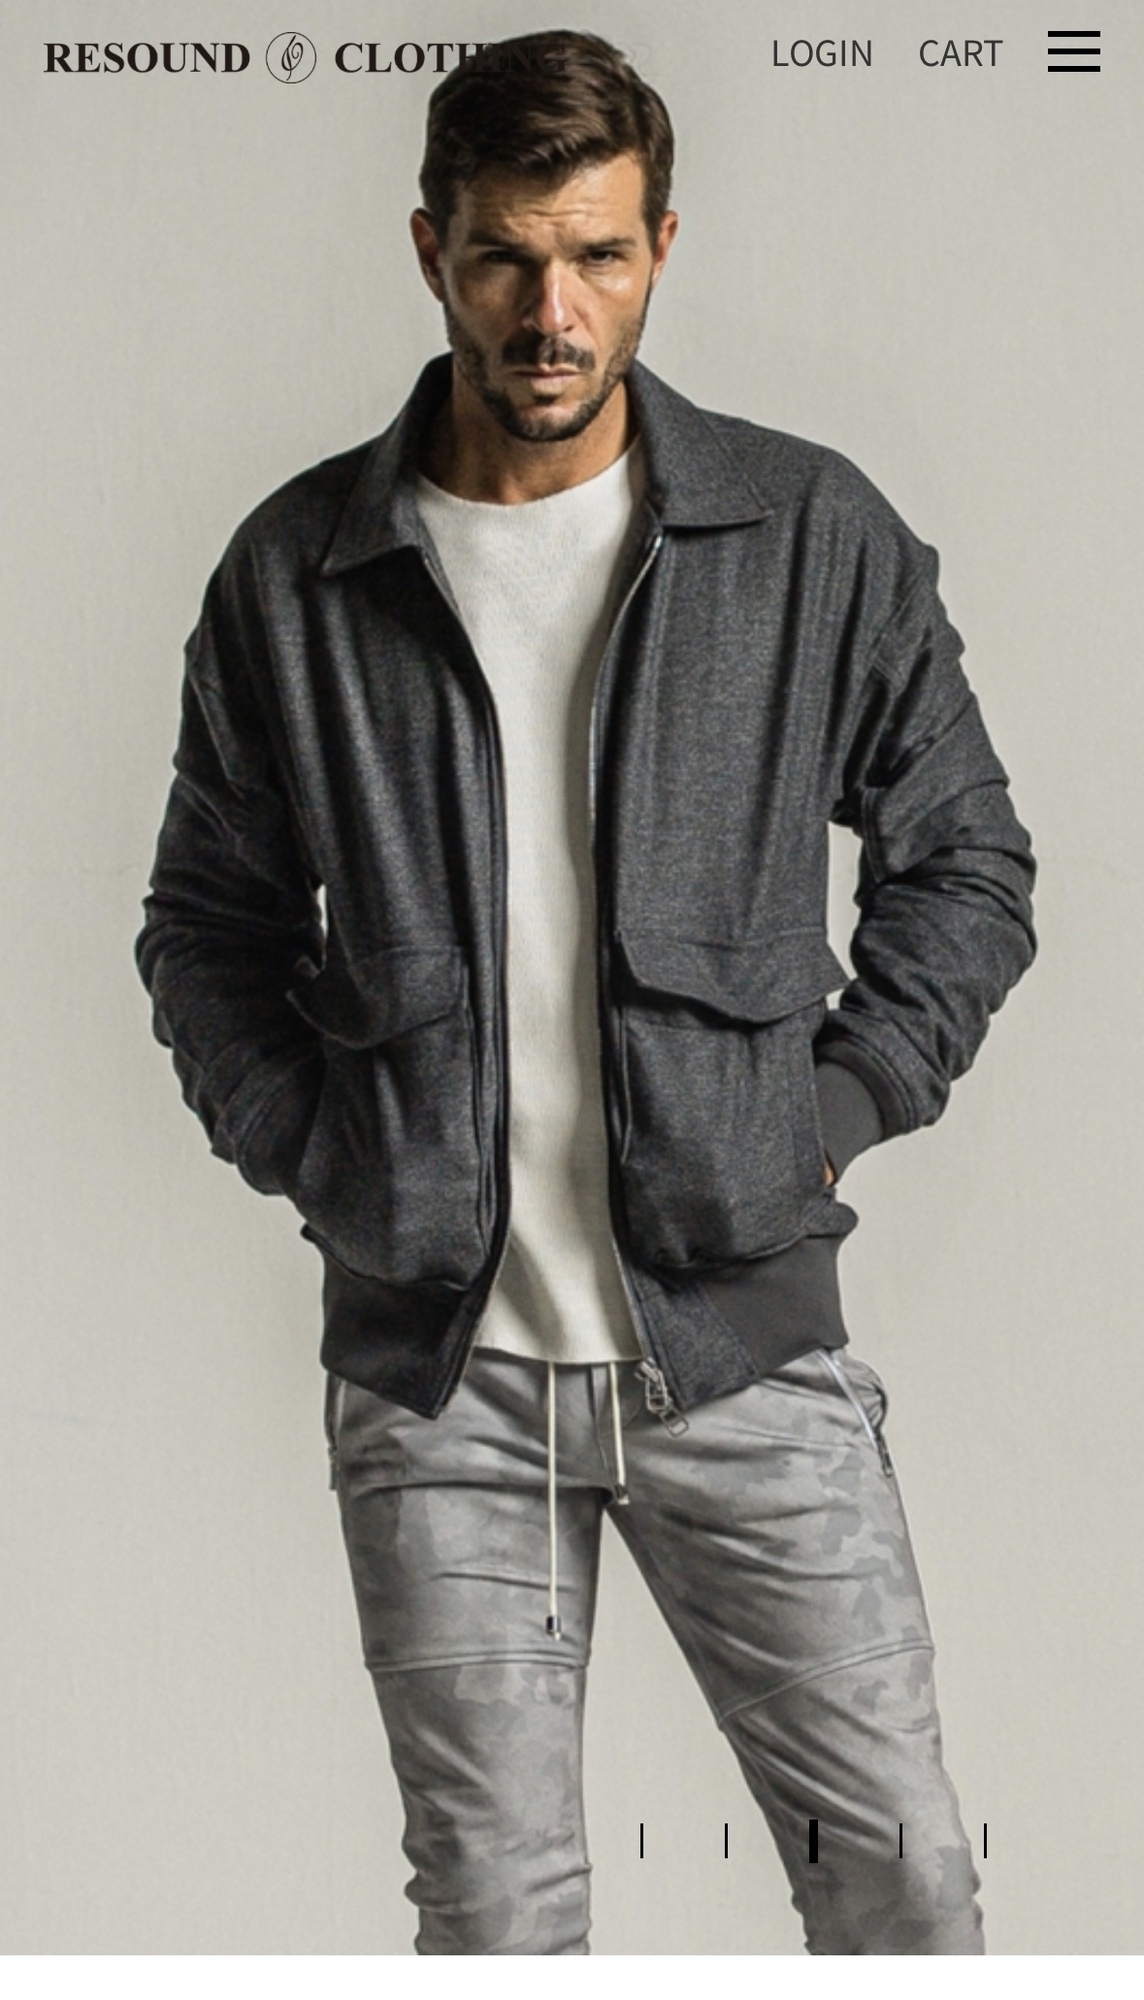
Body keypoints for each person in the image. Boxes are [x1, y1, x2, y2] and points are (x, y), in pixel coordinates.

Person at [136, 28, 1035, 1955]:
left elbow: (967, 859)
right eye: (506, 258)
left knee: (902, 1881)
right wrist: (324, 1156)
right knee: (499, 1918)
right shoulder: (299, 574)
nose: (553, 314)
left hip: (740, 1346)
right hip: (439, 1372)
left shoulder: (804, 536)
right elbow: (205, 924)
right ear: (432, 250)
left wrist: (825, 1116)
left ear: (661, 248)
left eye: (599, 257)